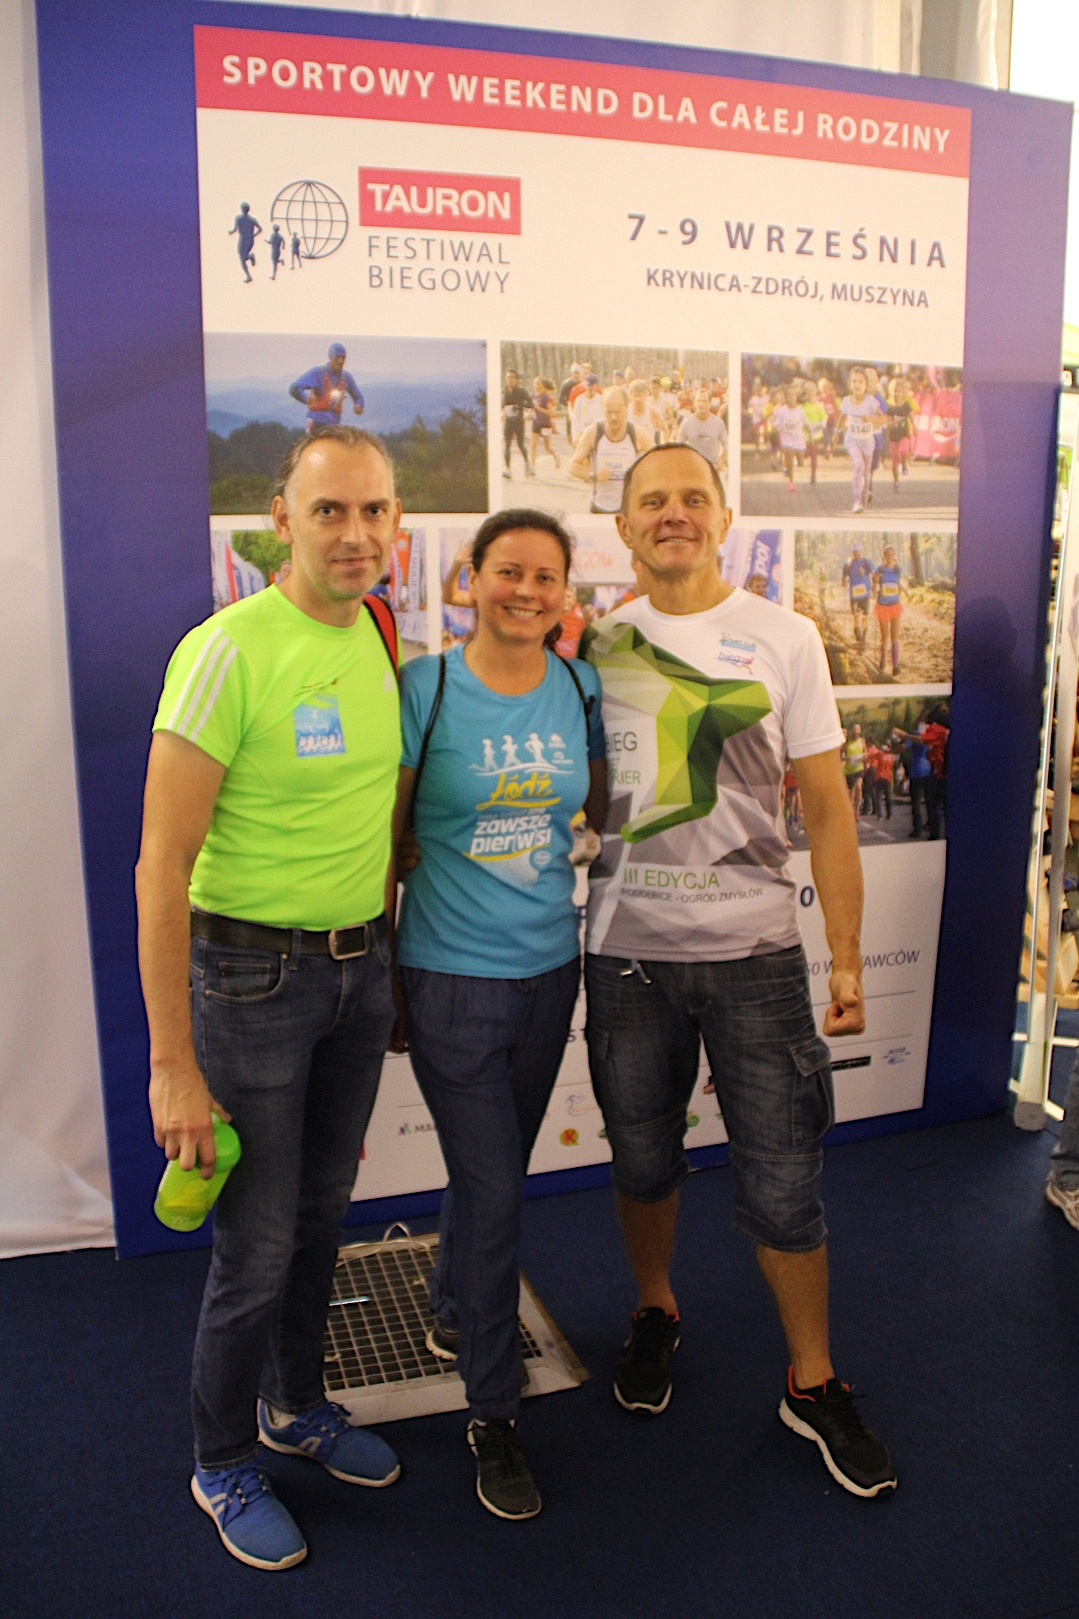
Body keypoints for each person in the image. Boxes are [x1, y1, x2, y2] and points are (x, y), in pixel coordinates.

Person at [581, 441, 895, 1499]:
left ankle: (811, 1378)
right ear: (623, 525)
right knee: (640, 1158)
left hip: (756, 955)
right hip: (625, 957)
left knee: (784, 1182)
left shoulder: (784, 635)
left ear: (722, 518)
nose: (672, 513)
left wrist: (844, 955)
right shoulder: (596, 642)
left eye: (691, 498)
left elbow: (829, 809)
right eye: (651, 500)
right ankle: (653, 1307)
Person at [136, 426, 405, 1571]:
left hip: (359, 972)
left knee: (320, 1219)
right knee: (252, 1249)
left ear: (395, 523)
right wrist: (172, 1064)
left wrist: (382, 964)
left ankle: (296, 1406)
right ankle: (220, 1461)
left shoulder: (380, 633)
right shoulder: (226, 650)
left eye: (372, 510)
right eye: (328, 510)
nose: (353, 532)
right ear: (280, 519)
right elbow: (160, 866)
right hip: (249, 982)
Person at [393, 509, 606, 1520]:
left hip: (549, 971)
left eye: (545, 576)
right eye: (507, 571)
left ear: (565, 593)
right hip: (448, 978)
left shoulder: (579, 686)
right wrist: (379, 977)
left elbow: (592, 802)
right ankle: (492, 1409)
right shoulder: (424, 687)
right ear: (470, 578)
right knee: (494, 1193)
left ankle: (450, 1304)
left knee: (494, 1176)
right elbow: (387, 832)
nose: (526, 591)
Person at [570, 387, 641, 514]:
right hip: (600, 507)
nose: (613, 417)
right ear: (603, 409)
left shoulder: (637, 433)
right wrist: (593, 475)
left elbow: (659, 463)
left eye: (618, 412)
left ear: (626, 408)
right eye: (609, 412)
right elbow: (573, 467)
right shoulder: (593, 432)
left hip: (628, 509)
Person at [837, 369, 884, 514]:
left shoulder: (871, 402)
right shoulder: (846, 401)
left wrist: (870, 419)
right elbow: (843, 416)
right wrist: (836, 432)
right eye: (854, 381)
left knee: (867, 472)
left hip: (867, 441)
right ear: (849, 384)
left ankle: (864, 495)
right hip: (852, 440)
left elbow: (882, 418)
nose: (857, 384)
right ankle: (857, 500)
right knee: (859, 464)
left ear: (866, 385)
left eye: (860, 381)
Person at [289, 343, 364, 432]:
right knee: (312, 441)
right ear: (330, 357)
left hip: (335, 424)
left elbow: (358, 397)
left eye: (343, 357)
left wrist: (359, 405)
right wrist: (305, 398)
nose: (340, 360)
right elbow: (294, 388)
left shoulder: (346, 377)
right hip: (316, 422)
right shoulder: (317, 373)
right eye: (337, 357)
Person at [893, 716, 940, 838]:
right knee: (930, 802)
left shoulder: (914, 734)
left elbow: (903, 748)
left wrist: (891, 750)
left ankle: (917, 829)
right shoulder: (932, 733)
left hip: (917, 771)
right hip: (930, 771)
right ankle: (933, 829)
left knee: (916, 802)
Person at [873, 544, 909, 676]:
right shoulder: (880, 569)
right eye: (887, 555)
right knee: (885, 637)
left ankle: (895, 665)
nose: (890, 557)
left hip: (895, 605)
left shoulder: (898, 569)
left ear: (895, 556)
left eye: (892, 555)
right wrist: (875, 583)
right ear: (884, 557)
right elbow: (875, 586)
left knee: (895, 637)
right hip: (883, 606)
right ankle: (882, 661)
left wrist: (905, 591)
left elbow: (897, 583)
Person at [676, 386, 729, 472]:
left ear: (709, 404)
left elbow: (727, 445)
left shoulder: (718, 423)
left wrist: (722, 459)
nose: (701, 404)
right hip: (693, 468)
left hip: (713, 467)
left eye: (704, 401)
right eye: (699, 401)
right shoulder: (686, 423)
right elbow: (678, 447)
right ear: (694, 403)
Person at [772, 383, 810, 493]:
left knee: (801, 463)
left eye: (793, 395)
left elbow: (806, 423)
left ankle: (791, 465)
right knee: (789, 454)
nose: (792, 397)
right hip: (787, 439)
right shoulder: (782, 410)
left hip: (799, 439)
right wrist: (778, 428)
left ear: (796, 397)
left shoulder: (800, 410)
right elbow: (776, 424)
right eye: (789, 395)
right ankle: (791, 482)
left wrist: (810, 436)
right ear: (786, 397)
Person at [841, 539, 874, 651]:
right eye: (854, 551)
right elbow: (843, 579)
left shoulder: (866, 562)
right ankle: (858, 638)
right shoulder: (848, 564)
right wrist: (844, 582)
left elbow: (874, 574)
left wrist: (876, 583)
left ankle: (863, 638)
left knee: (865, 616)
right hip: (854, 595)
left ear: (861, 551)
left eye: (858, 551)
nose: (856, 553)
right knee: (856, 617)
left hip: (865, 594)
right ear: (852, 552)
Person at [502, 369, 534, 478]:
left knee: (520, 444)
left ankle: (527, 462)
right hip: (508, 421)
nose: (510, 379)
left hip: (519, 421)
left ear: (516, 379)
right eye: (508, 377)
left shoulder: (521, 391)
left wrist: (520, 405)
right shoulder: (504, 391)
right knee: (507, 444)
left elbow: (531, 403)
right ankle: (508, 470)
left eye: (512, 377)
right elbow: (502, 404)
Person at [884, 377, 913, 484]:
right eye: (894, 391)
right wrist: (895, 422)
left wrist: (915, 427)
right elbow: (887, 424)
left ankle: (904, 464)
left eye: (899, 391)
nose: (896, 393)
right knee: (895, 461)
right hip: (894, 436)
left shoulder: (906, 406)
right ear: (891, 392)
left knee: (904, 451)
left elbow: (911, 416)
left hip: (904, 434)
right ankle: (896, 481)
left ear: (903, 392)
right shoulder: (889, 408)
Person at [530, 375, 561, 471]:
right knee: (533, 445)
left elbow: (551, 412)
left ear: (542, 385)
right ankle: (532, 467)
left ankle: (556, 455)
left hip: (545, 423)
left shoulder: (545, 397)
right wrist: (528, 412)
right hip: (536, 422)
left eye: (538, 383)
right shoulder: (533, 395)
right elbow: (532, 407)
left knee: (547, 447)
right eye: (535, 383)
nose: (536, 385)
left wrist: (538, 408)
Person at [800, 380, 825, 484]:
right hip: (805, 434)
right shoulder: (802, 406)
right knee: (806, 453)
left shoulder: (819, 405)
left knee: (814, 455)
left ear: (816, 392)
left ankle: (813, 475)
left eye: (812, 390)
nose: (810, 393)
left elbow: (824, 418)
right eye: (808, 390)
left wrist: (821, 425)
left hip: (815, 434)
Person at [228, 202, 261, 282]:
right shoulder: (252, 219)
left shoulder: (238, 218)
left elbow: (234, 229)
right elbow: (260, 229)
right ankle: (250, 257)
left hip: (243, 238)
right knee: (242, 256)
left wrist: (230, 232)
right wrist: (253, 235)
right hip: (249, 238)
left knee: (242, 258)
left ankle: (249, 275)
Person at [570, 373, 606, 444]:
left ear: (596, 386)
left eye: (592, 385)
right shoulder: (579, 400)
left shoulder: (601, 399)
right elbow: (575, 419)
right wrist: (575, 437)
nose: (590, 388)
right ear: (585, 385)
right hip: (582, 433)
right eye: (588, 385)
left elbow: (605, 418)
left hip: (597, 433)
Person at [843, 723, 867, 818]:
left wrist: (864, 756)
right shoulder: (847, 742)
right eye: (854, 729)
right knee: (851, 793)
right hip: (849, 770)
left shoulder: (862, 741)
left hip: (859, 768)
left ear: (860, 731)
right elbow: (840, 755)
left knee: (858, 787)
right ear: (851, 731)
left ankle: (856, 812)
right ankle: (850, 811)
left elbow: (866, 753)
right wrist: (846, 758)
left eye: (857, 729)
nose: (856, 731)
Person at [873, 739, 896, 819]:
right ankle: (889, 814)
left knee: (878, 796)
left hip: (880, 776)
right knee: (888, 796)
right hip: (888, 777)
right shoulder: (892, 755)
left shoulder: (880, 754)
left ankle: (879, 815)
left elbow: (872, 756)